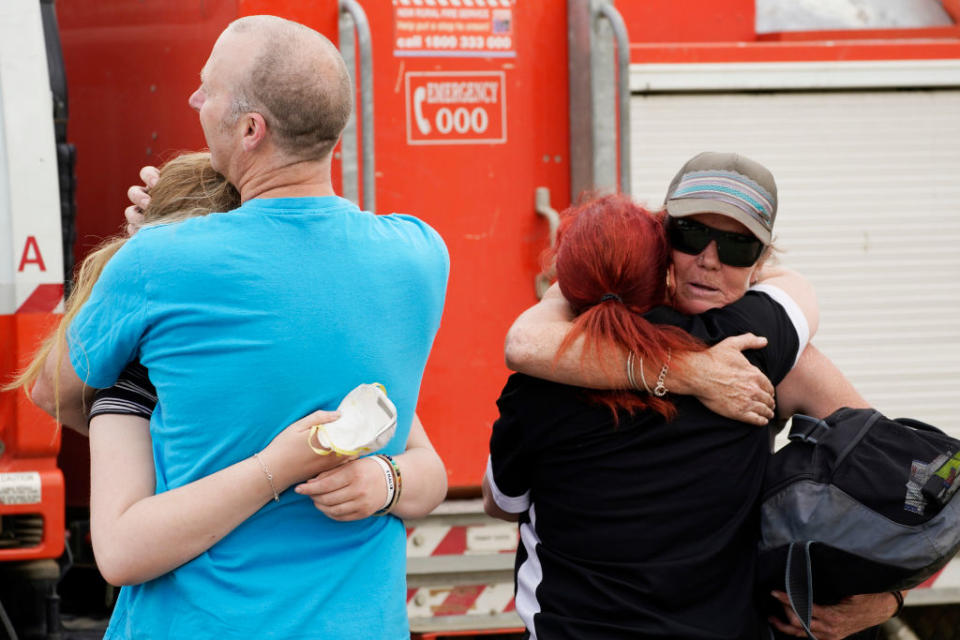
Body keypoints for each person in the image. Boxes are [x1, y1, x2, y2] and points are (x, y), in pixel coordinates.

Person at [30, 15, 449, 640]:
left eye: (208, 88)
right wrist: (387, 480)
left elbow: (53, 390)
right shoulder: (420, 254)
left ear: (252, 129)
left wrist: (152, 250)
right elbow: (420, 459)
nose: (195, 100)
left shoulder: (156, 263)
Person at [501, 152, 900, 640]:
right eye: (690, 235)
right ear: (660, 239)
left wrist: (889, 596)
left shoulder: (765, 346)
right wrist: (692, 373)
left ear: (762, 260)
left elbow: (902, 479)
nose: (709, 260)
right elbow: (522, 345)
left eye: (737, 246)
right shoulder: (764, 343)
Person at [8, 151, 445, 583]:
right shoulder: (139, 382)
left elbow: (429, 472)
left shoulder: (310, 346)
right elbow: (121, 552)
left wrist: (386, 479)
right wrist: (278, 465)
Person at [483, 193, 817, 638]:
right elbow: (794, 288)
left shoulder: (540, 378)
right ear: (664, 265)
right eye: (691, 236)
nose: (709, 258)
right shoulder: (746, 347)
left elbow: (501, 503)